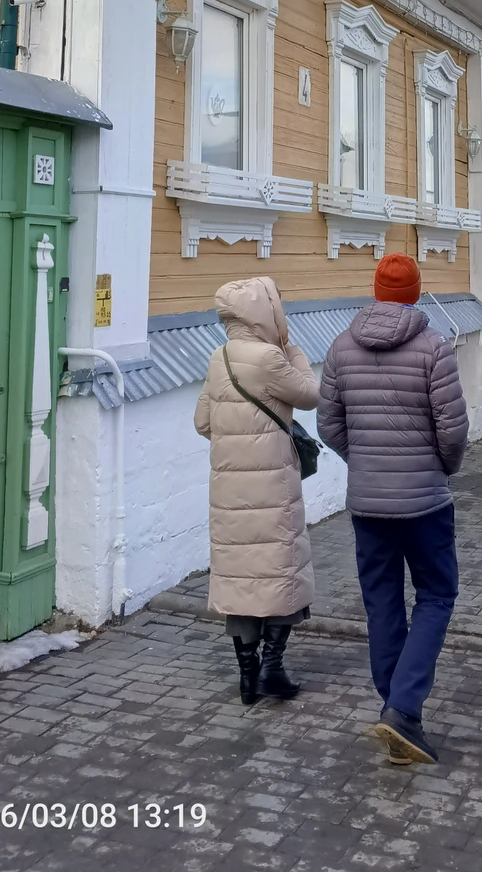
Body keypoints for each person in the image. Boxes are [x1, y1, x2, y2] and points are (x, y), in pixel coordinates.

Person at [318, 253, 468, 769]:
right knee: (437, 594)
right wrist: (439, 467)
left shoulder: (340, 348)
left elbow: (329, 425)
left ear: (376, 290)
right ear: (415, 292)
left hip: (368, 503)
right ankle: (402, 709)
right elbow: (452, 429)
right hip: (425, 502)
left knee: (381, 603)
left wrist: (362, 462)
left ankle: (396, 713)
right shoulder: (434, 348)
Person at [194, 277, 319, 707]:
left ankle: (247, 677)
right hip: (272, 488)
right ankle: (273, 668)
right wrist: (296, 352)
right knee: (278, 573)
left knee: (243, 579)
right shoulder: (270, 358)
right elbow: (311, 395)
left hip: (229, 489)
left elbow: (202, 422)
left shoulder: (218, 357)